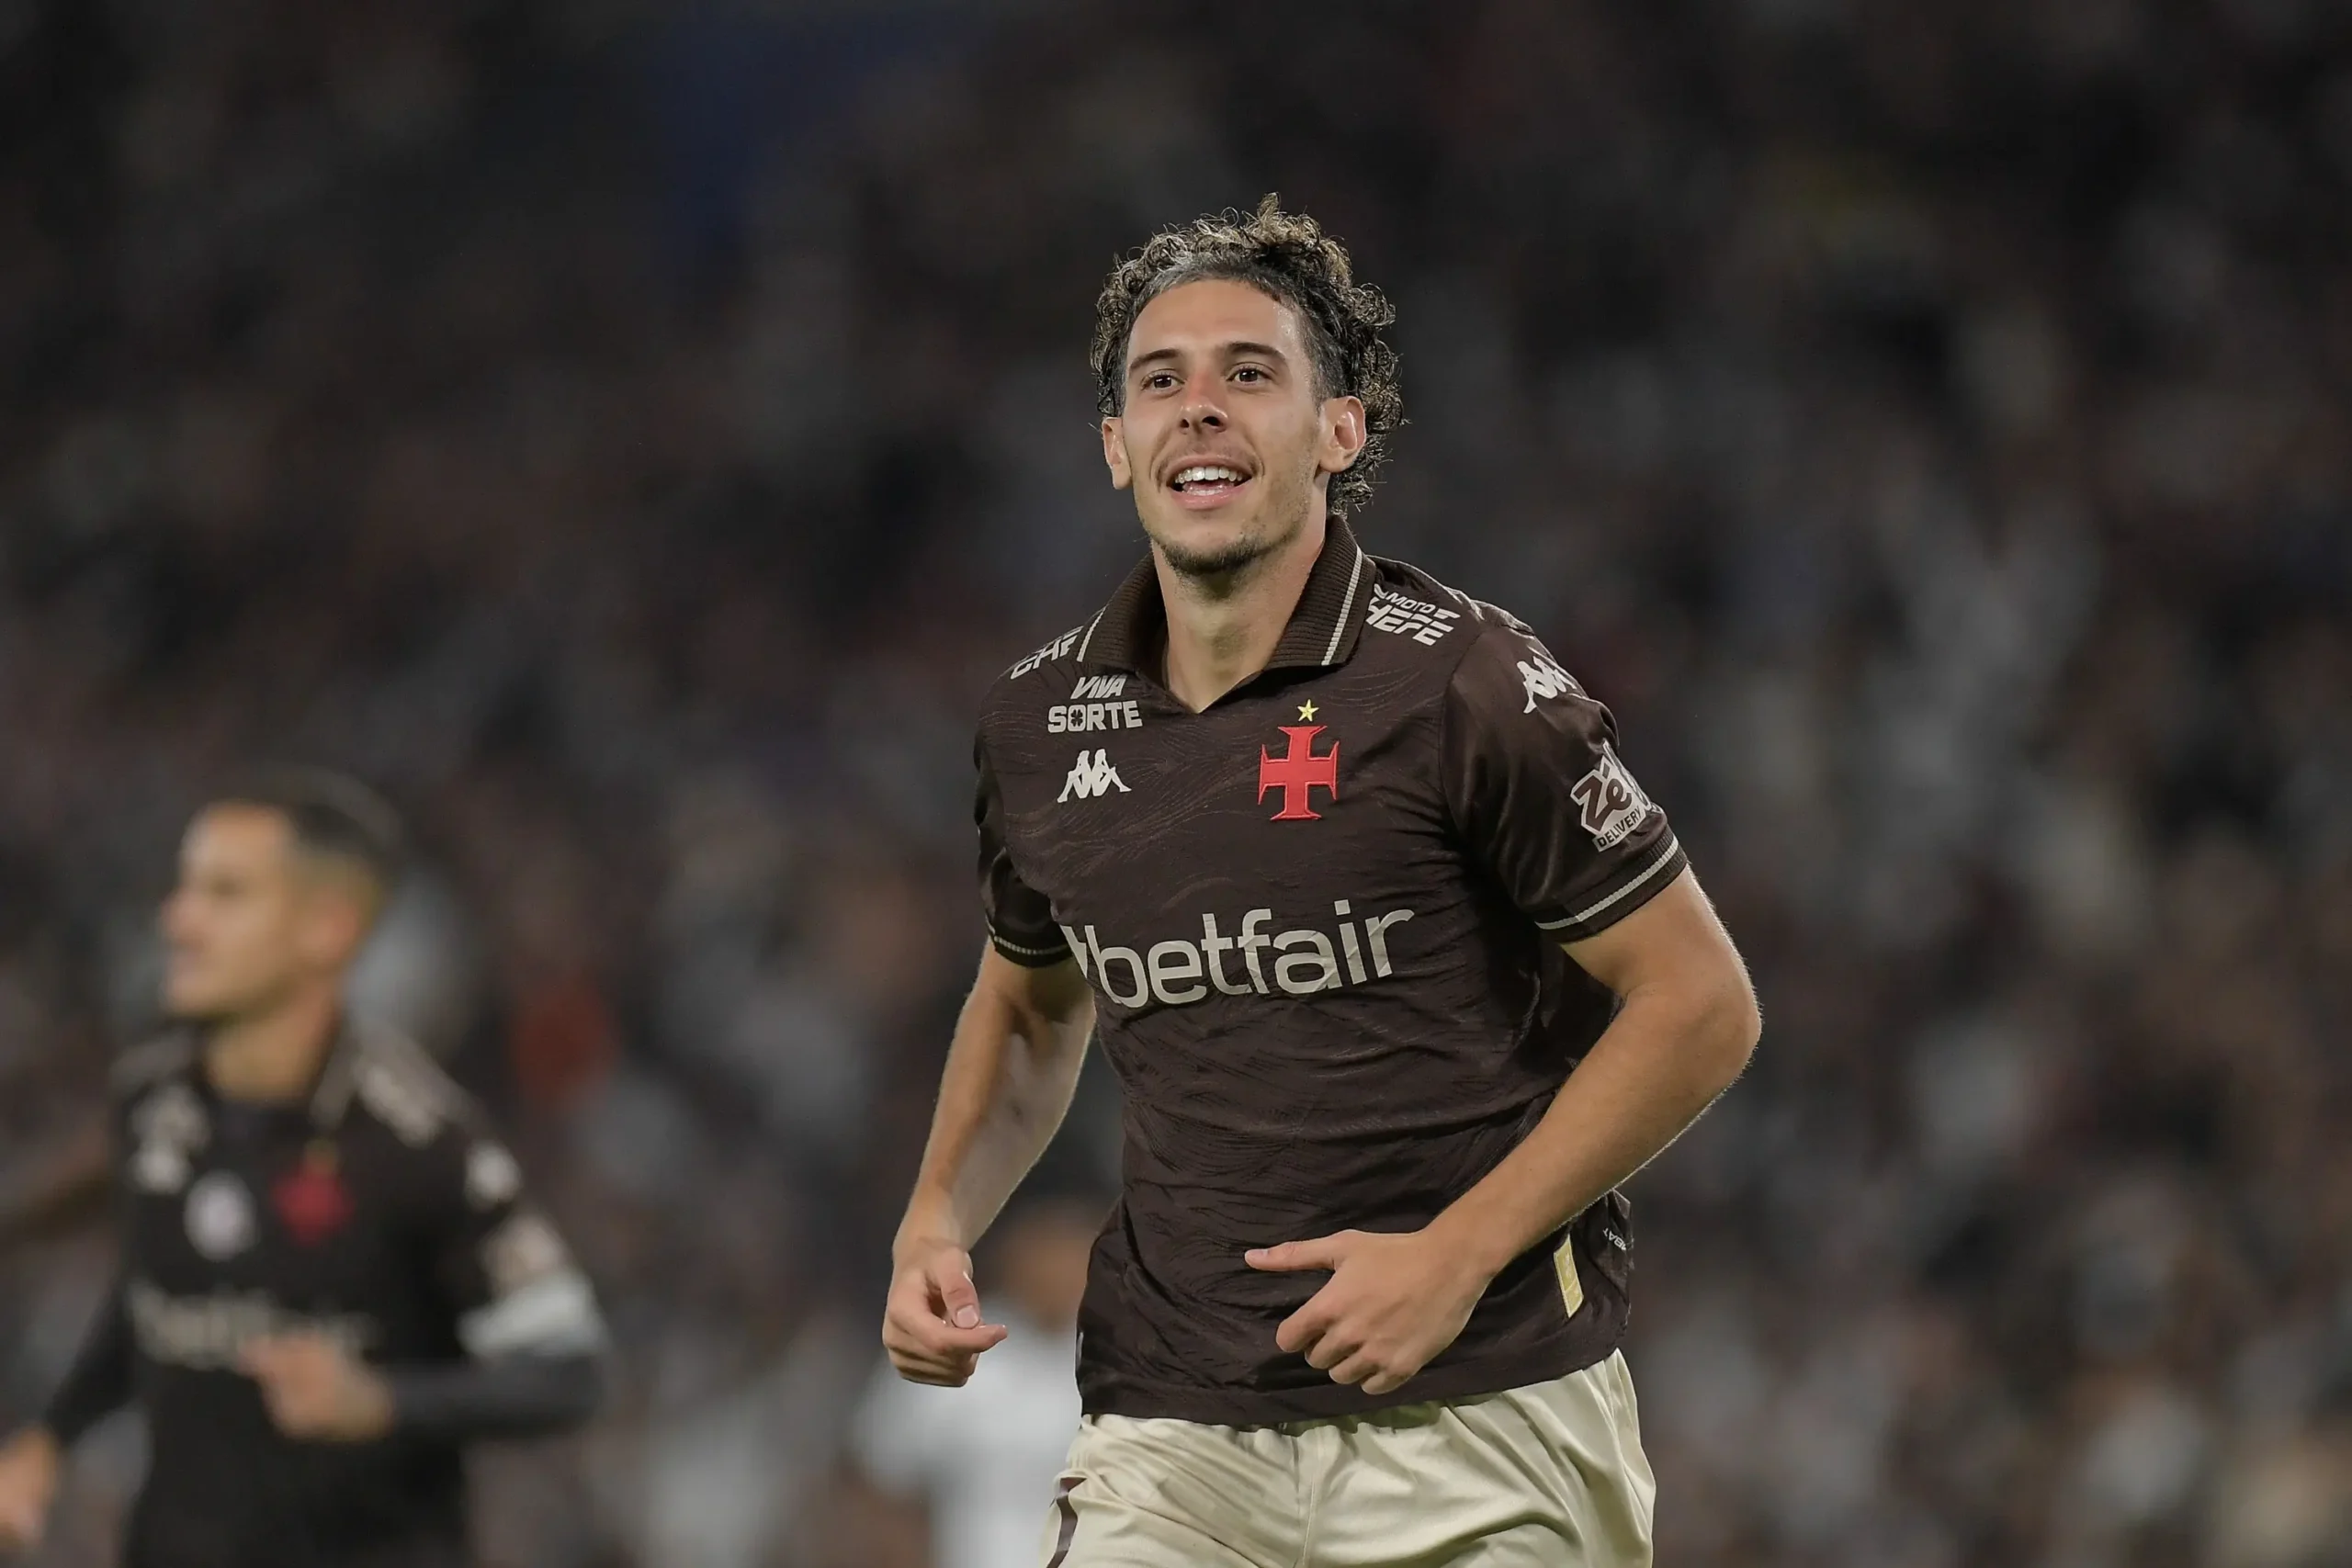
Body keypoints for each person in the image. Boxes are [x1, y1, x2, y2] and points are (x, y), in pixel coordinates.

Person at [879, 197, 1762, 1567]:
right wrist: (938, 1213)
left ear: (1339, 430)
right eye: (1159, 381)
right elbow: (1034, 1000)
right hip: (1172, 1431)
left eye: (1250, 372)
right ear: (1115, 446)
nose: (1199, 406)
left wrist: (1457, 1252)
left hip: (1481, 1420)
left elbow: (1701, 1004)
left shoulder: (1465, 683)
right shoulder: (1039, 725)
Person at [0, 771, 605, 1568]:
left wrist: (382, 1401)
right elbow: (156, 1301)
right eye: (187, 888)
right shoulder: (154, 1098)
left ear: (326, 931)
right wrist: (51, 1437)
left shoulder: (416, 1139)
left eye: (226, 894)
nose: (179, 917)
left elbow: (569, 1373)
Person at [851, 1195, 1098, 1568]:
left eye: (1071, 1248)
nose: (1058, 1267)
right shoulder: (950, 1341)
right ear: (1014, 1252)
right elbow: (881, 1478)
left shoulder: (1122, 1359)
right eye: (1046, 1247)